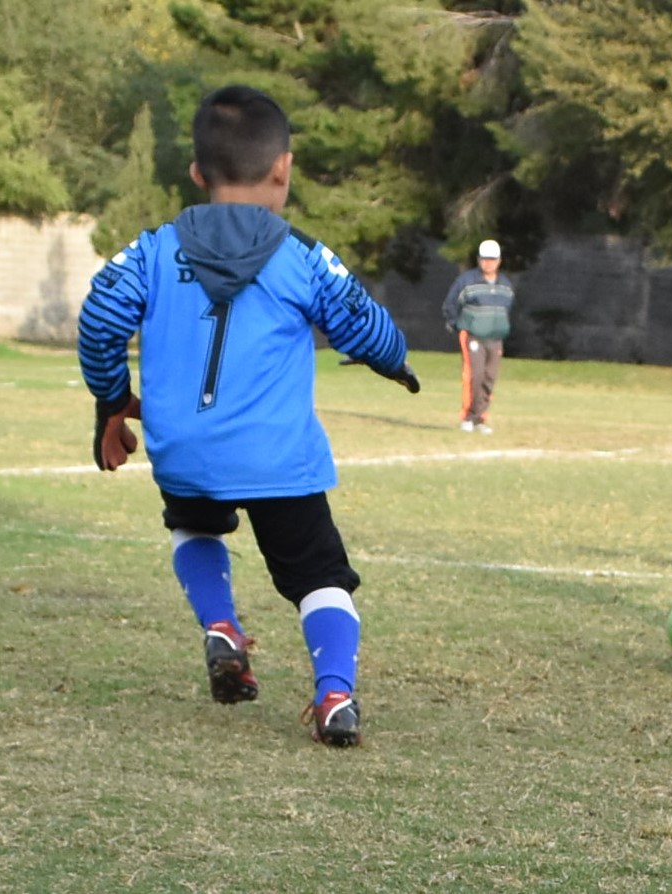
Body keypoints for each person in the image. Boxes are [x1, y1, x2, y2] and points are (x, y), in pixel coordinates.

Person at [77, 85, 420, 747]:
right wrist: (394, 362)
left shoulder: (152, 251)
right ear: (283, 168)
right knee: (319, 575)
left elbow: (99, 316)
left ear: (199, 174)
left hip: (183, 451)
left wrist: (112, 401)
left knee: (192, 522)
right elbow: (361, 322)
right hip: (278, 459)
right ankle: (334, 694)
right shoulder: (301, 257)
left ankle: (221, 624)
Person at [442, 239, 514, 434]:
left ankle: (481, 417)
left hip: (495, 337)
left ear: (499, 261)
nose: (488, 263)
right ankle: (468, 416)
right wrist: (456, 325)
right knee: (474, 375)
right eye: (484, 259)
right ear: (479, 260)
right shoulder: (467, 281)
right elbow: (450, 304)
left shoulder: (505, 285)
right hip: (473, 335)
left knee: (489, 378)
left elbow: (505, 309)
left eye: (492, 259)